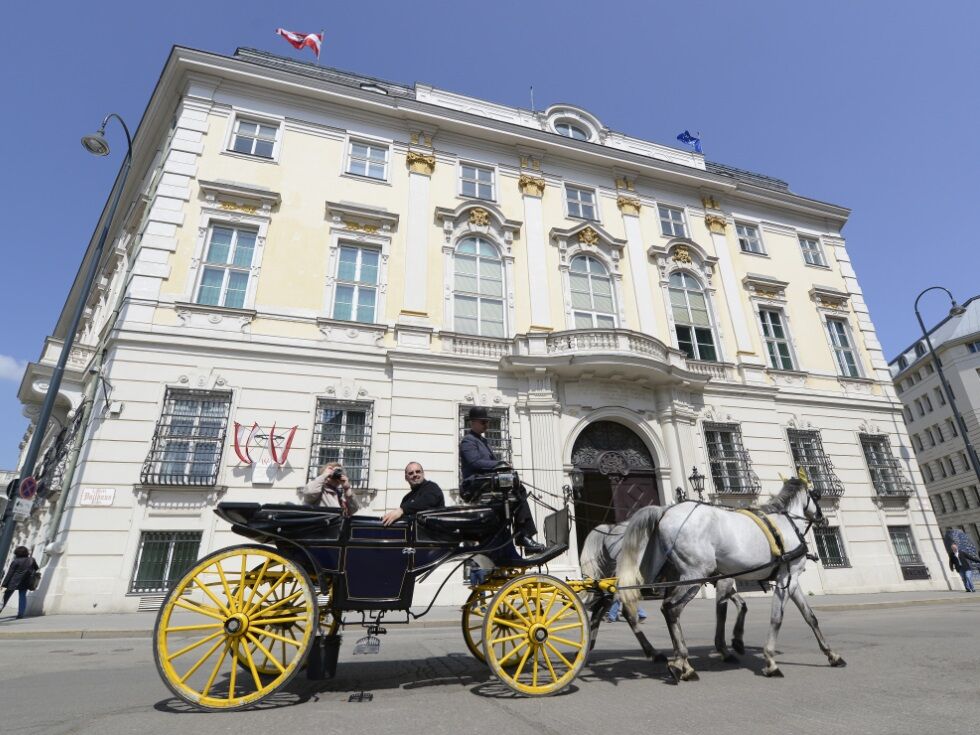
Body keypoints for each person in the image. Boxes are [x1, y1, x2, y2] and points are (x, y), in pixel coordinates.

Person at [459, 406, 544, 553]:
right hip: (475, 484)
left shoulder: (483, 441)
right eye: (483, 422)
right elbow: (474, 463)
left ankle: (524, 534)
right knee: (516, 489)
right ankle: (523, 536)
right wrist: (500, 464)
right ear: (472, 422)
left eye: (487, 422)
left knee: (518, 488)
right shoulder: (468, 440)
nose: (486, 425)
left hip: (486, 481)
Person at [381, 462, 446, 526]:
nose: (415, 475)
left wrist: (401, 510)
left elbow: (425, 502)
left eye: (418, 471)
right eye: (411, 473)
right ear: (406, 478)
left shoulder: (432, 487)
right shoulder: (406, 498)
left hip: (434, 535)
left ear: (423, 474)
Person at [1, 546, 38, 619]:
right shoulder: (32, 560)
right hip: (25, 581)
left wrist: (4, 584)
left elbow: (10, 573)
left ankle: (1, 609)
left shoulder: (15, 561)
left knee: (5, 597)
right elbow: (36, 568)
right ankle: (21, 614)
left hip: (13, 582)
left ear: (17, 553)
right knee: (22, 597)